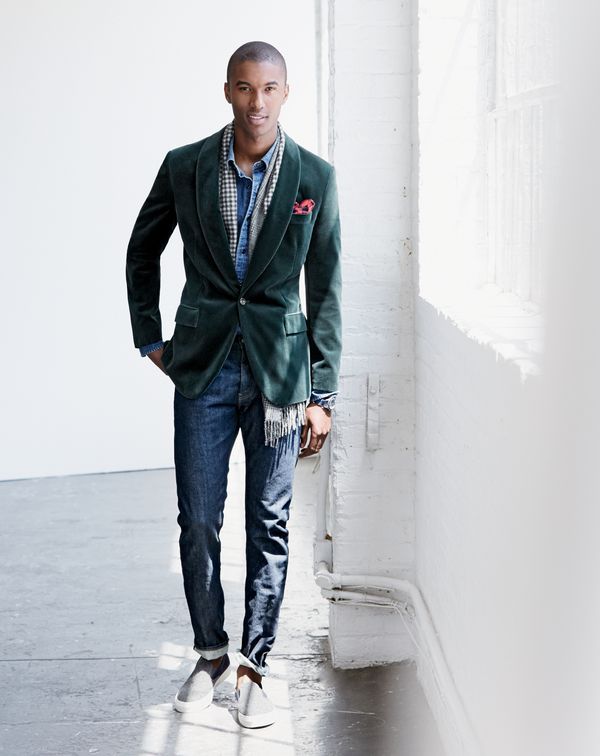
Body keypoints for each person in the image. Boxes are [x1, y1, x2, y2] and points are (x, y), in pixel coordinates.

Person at [125, 40, 342, 728]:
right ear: (228, 91)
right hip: (205, 368)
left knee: (268, 524)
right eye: (245, 88)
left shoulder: (315, 178)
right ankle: (211, 653)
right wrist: (150, 337)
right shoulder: (185, 165)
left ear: (286, 93)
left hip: (280, 378)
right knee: (198, 520)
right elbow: (142, 248)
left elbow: (325, 289)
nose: (257, 102)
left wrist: (322, 394)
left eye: (269, 88)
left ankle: (255, 667)